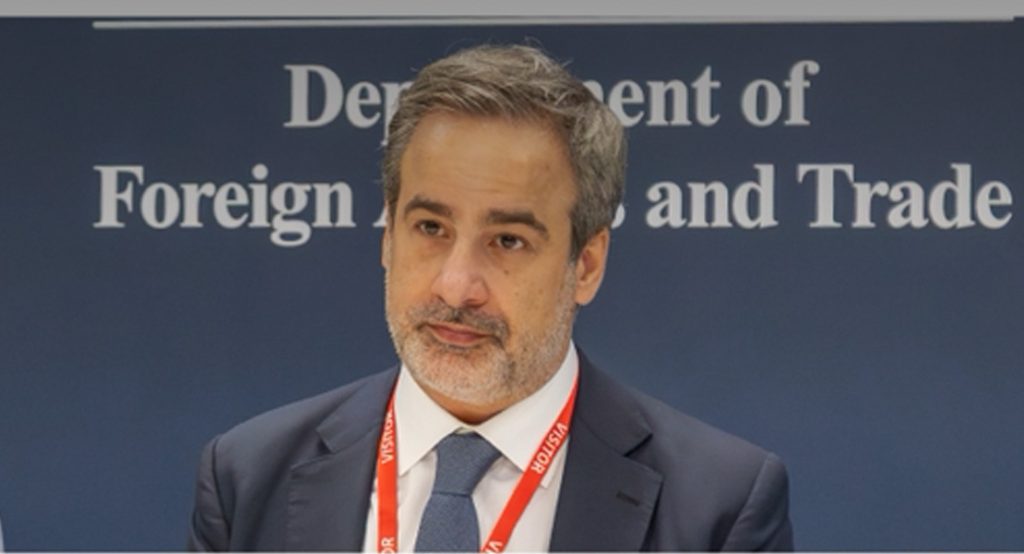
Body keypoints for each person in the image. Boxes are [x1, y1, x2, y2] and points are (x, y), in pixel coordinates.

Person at [187, 44, 793, 552]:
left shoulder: (719, 507)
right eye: (430, 228)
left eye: (507, 240)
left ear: (586, 264)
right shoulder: (248, 477)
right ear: (387, 237)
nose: (456, 287)